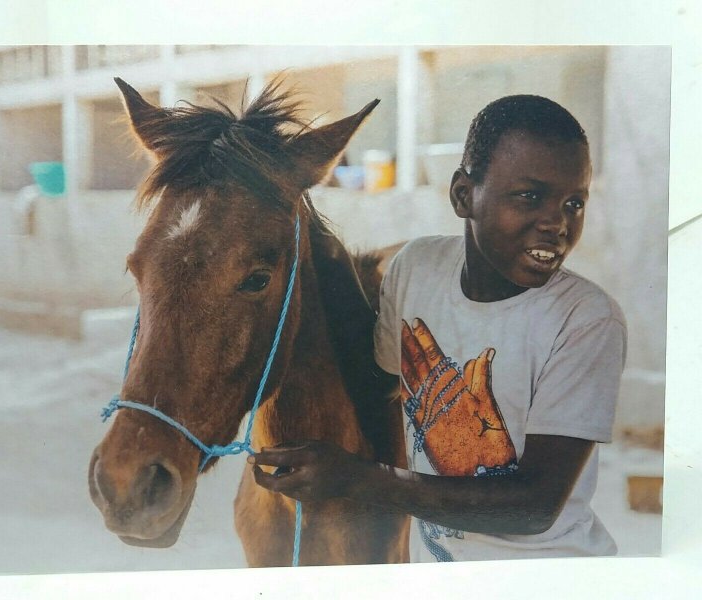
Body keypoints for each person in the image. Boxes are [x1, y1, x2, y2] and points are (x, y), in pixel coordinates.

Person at [249, 94, 628, 562]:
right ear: (463, 195)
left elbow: (536, 505)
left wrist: (356, 478)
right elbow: (375, 378)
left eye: (575, 202)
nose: (557, 222)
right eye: (531, 196)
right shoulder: (418, 268)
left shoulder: (585, 318)